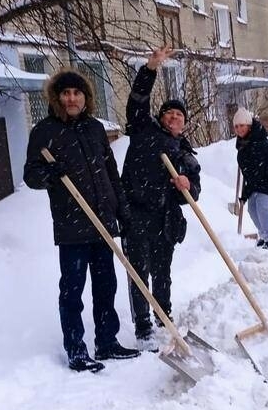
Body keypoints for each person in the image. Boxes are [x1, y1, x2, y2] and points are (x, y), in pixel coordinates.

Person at [24, 68, 140, 373]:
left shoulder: (95, 129)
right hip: (72, 225)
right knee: (72, 291)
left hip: (102, 222)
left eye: (77, 93)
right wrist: (50, 173)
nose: (72, 98)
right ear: (57, 98)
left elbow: (110, 173)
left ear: (85, 98)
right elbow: (31, 175)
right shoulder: (44, 132)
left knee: (107, 286)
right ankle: (76, 349)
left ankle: (107, 341)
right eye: (66, 93)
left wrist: (122, 211)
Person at [120, 46, 201, 348]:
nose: (174, 118)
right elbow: (137, 102)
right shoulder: (143, 130)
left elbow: (194, 192)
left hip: (165, 218)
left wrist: (185, 186)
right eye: (169, 113)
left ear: (184, 123)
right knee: (138, 272)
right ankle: (143, 328)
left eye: (179, 115)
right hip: (136, 213)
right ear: (161, 117)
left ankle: (162, 316)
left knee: (162, 272)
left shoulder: (186, 155)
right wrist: (150, 68)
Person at [232, 108, 268, 253]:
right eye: (236, 126)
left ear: (249, 126)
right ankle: (263, 235)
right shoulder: (243, 147)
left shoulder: (260, 142)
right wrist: (245, 194)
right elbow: (248, 175)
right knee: (251, 208)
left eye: (242, 125)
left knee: (262, 205)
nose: (239, 129)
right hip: (257, 182)